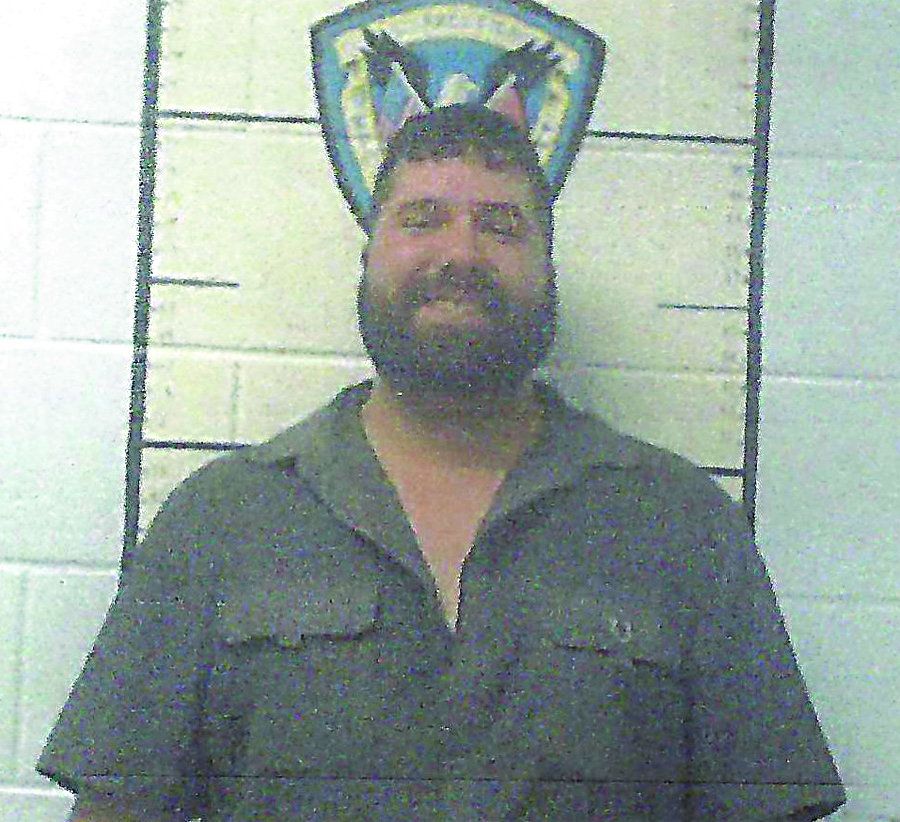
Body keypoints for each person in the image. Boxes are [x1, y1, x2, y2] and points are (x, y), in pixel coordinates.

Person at [39, 104, 846, 821]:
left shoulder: (682, 527)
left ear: (547, 271)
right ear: (368, 257)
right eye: (422, 219)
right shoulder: (220, 522)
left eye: (501, 227)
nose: (461, 252)